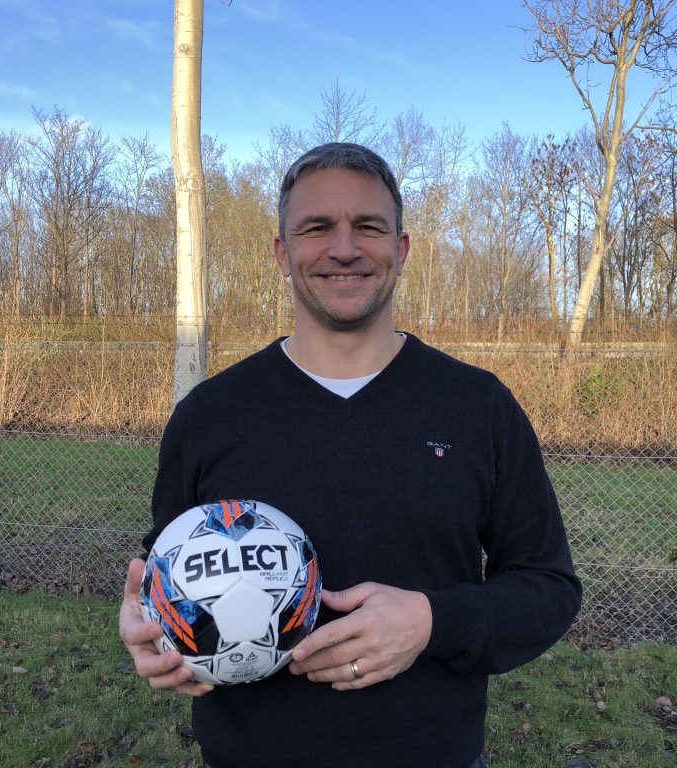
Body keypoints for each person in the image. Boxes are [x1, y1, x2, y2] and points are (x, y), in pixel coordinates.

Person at [119, 142, 582, 768]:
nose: (343, 248)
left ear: (402, 249)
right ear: (283, 254)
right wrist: (144, 623)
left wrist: (430, 622)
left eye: (368, 227)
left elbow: (548, 588)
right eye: (316, 229)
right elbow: (165, 565)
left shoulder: (478, 407)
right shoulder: (210, 415)